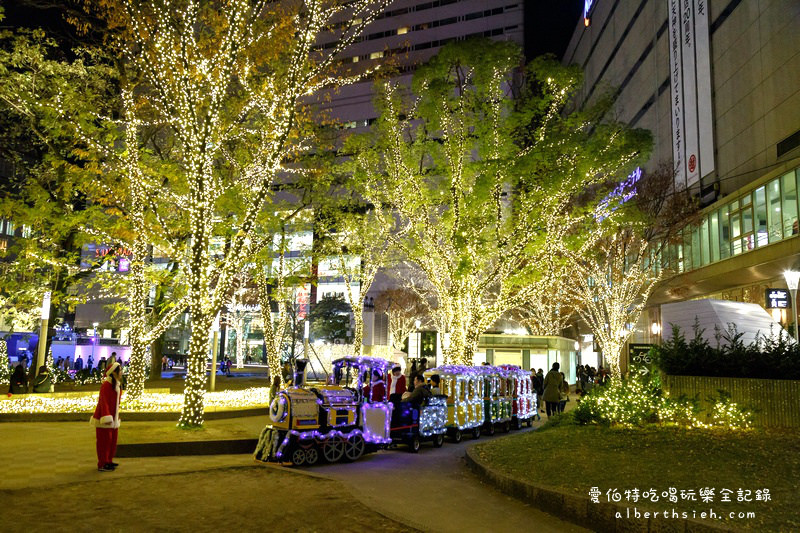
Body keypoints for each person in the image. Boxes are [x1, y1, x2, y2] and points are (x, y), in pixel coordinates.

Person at [91, 362, 122, 472]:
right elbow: (104, 402)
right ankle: (102, 463)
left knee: (112, 440)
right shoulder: (106, 385)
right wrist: (107, 416)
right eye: (120, 370)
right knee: (104, 441)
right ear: (114, 373)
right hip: (105, 418)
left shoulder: (116, 385)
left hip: (113, 418)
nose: (121, 373)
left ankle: (108, 460)